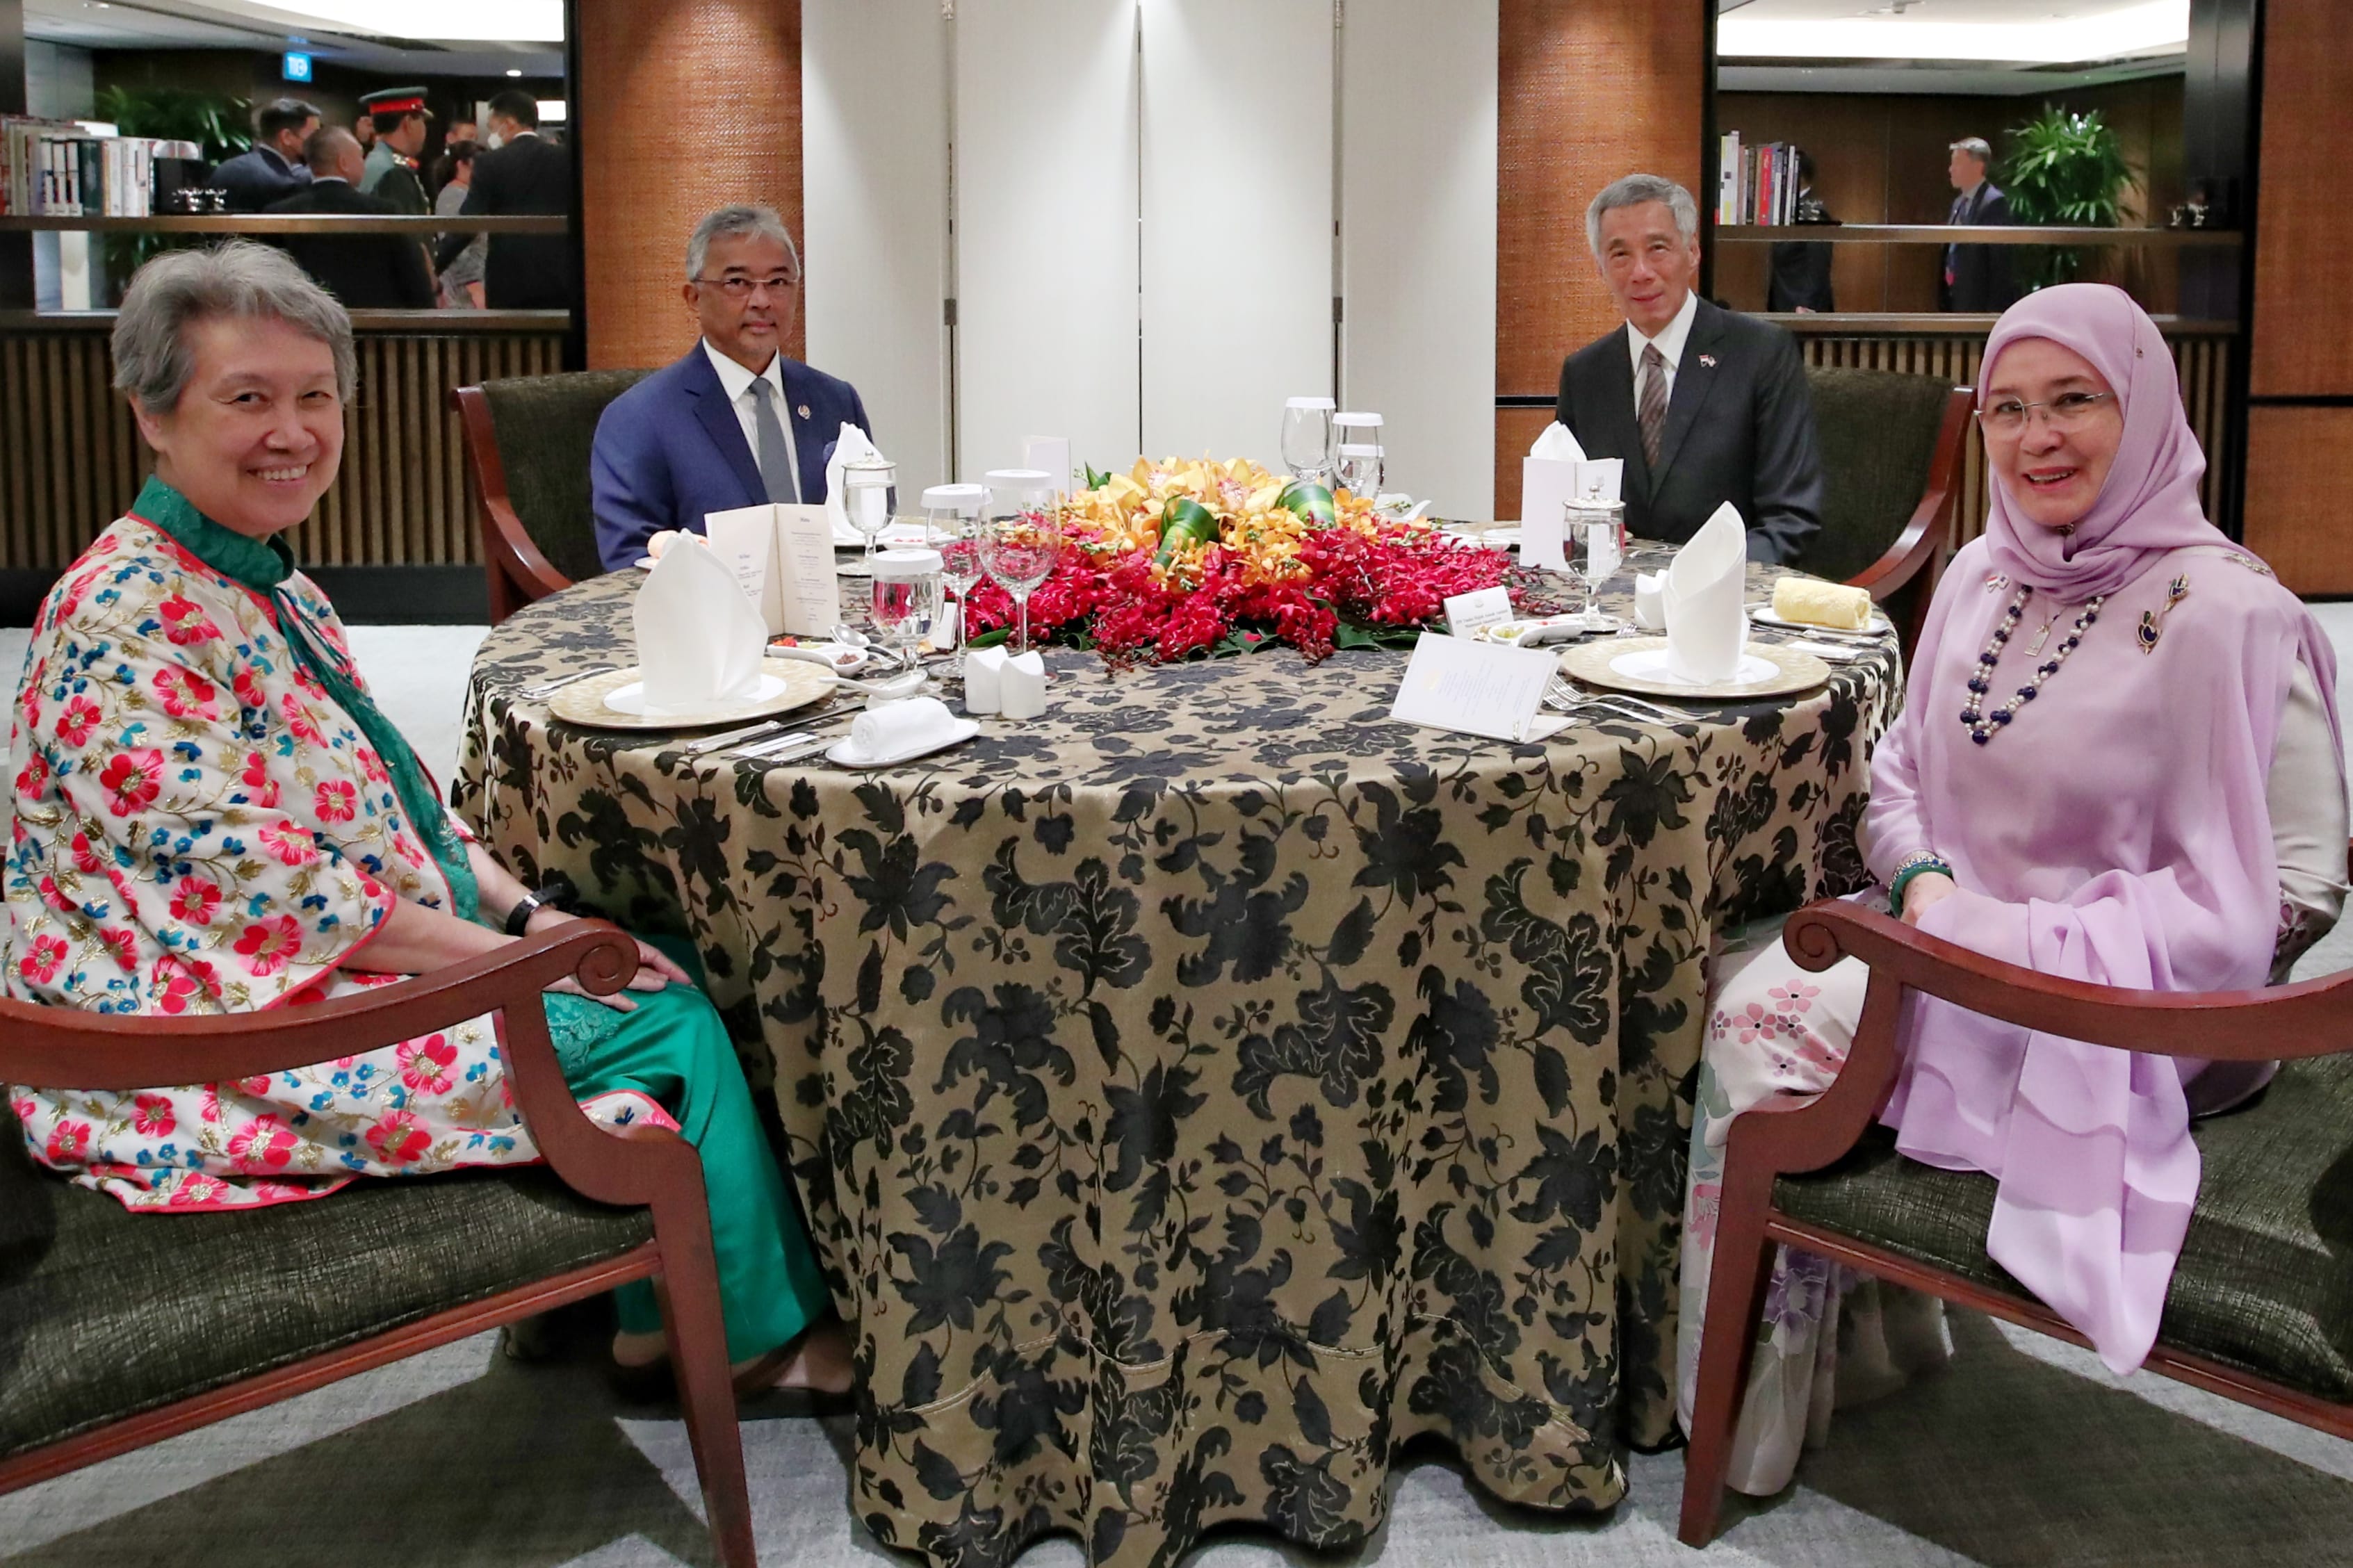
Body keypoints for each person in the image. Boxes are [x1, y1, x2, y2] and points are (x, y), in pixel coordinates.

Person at [0, 242, 851, 1400]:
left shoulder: (270, 584)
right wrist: (529, 959)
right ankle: (739, 1338)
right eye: (246, 398)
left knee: (683, 957)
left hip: (317, 957)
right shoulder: (122, 617)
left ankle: (671, 1304)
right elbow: (274, 898)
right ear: (154, 416)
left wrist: (526, 907)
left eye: (314, 397)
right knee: (667, 1018)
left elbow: (394, 796)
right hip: (210, 1028)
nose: (291, 431)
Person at [1675, 282, 2346, 1496]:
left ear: (2142, 405)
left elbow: (2286, 898)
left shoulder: (2237, 616)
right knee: (1722, 991)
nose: (2038, 439)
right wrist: (1933, 893)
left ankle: (1750, 1419)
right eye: (2010, 411)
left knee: (1762, 1029)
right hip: (1944, 946)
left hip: (2131, 1018)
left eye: (2075, 402)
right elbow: (1896, 786)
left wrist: (2017, 947)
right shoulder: (1983, 575)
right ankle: (1849, 1354)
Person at [1553, 172, 1824, 564]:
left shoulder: (1762, 353)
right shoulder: (1585, 374)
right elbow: (1568, 516)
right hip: (1613, 604)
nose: (1641, 271)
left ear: (1693, 252)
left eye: (1658, 248)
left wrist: (1693, 581)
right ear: (1601, 269)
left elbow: (1791, 520)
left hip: (1727, 597)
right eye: (1620, 254)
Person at [590, 204, 874, 571]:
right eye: (737, 283)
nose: (762, 301)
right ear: (693, 298)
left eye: (778, 282)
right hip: (707, 620)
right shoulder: (638, 419)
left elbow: (871, 527)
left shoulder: (835, 400)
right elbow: (627, 559)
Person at [264, 129, 433, 310]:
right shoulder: (384, 212)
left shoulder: (280, 214)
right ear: (343, 163)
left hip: (305, 327)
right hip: (378, 330)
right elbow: (414, 280)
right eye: (361, 156)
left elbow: (268, 282)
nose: (364, 163)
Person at [433, 89, 569, 310]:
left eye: (493, 126)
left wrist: (436, 266)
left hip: (509, 279)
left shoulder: (490, 163)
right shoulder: (564, 158)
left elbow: (467, 224)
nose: (492, 133)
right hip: (560, 277)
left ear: (509, 123)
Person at [1941, 136, 2021, 313]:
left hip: (1979, 305)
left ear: (1977, 167)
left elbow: (2000, 264)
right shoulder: (1957, 203)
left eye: (1957, 164)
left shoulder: (1994, 202)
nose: (1950, 169)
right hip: (1955, 300)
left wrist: (1992, 313)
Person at [210, 97, 316, 213]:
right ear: (287, 137)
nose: (318, 143)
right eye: (314, 136)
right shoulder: (284, 185)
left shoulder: (225, 169)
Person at [1766, 149, 1837, 314]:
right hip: (1785, 303)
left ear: (1799, 177)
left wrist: (1807, 305)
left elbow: (1818, 264)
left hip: (1803, 309)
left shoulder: (1814, 213)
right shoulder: (1791, 209)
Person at [357, 86, 432, 218]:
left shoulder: (378, 161)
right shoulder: (394, 173)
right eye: (422, 121)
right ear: (408, 123)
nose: (425, 129)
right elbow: (408, 233)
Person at [431, 140, 488, 309]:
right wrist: (474, 287)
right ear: (463, 165)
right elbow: (456, 246)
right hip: (464, 292)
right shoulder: (454, 195)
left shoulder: (467, 195)